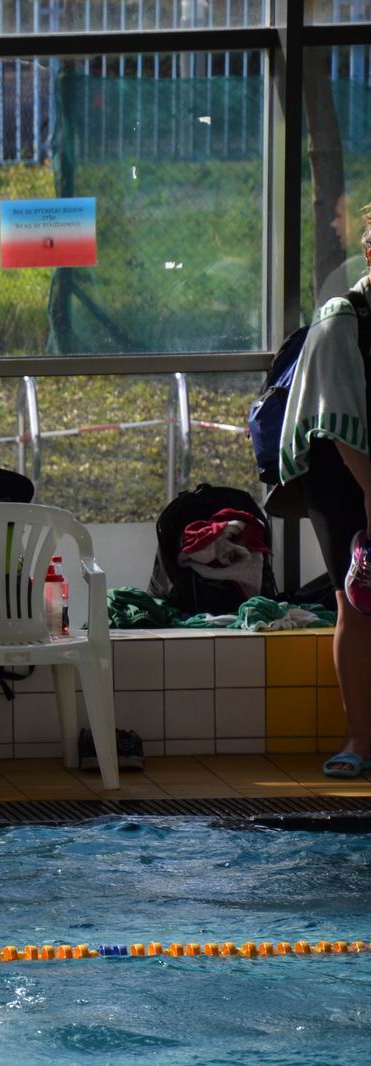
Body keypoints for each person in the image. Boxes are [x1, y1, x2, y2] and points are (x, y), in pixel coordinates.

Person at [280, 206, 371, 779]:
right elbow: (338, 424)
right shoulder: (342, 318)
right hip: (339, 470)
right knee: (357, 604)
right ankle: (358, 738)